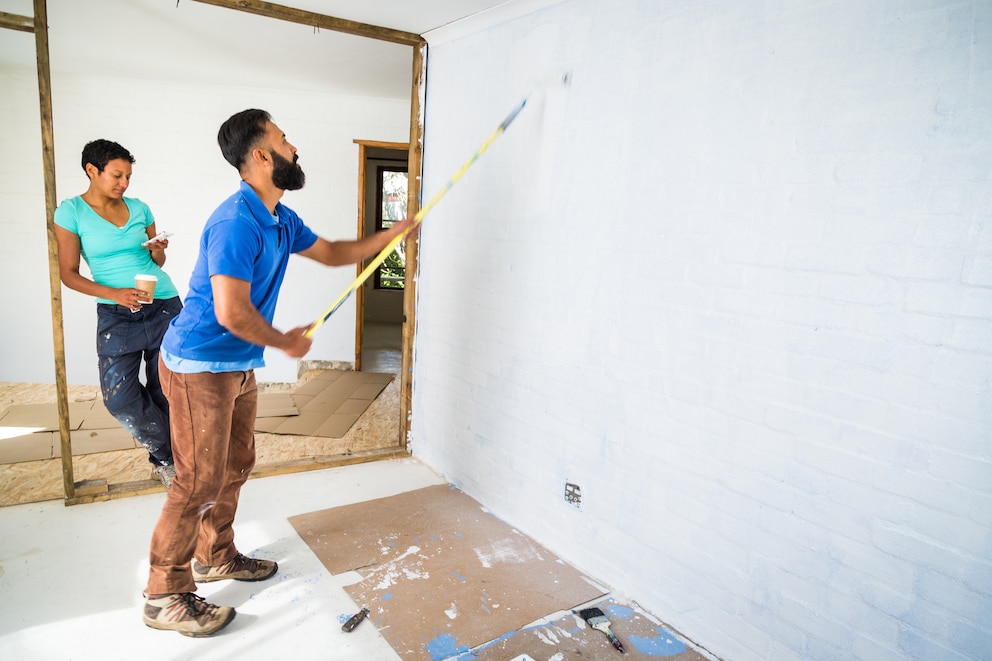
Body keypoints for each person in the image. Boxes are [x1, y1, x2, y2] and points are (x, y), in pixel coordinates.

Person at [142, 109, 415, 637]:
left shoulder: (279, 217)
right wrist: (285, 341)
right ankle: (163, 594)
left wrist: (394, 234)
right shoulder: (236, 221)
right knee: (196, 481)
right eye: (285, 140)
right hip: (199, 363)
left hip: (235, 363)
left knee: (235, 464)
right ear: (263, 156)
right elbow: (230, 311)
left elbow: (336, 253)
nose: (295, 148)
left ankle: (214, 555)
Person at [54, 139, 181, 489]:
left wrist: (157, 251)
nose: (124, 183)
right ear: (91, 171)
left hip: (164, 303)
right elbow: (69, 274)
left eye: (128, 176)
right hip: (117, 313)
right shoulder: (71, 212)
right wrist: (115, 294)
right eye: (117, 175)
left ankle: (169, 463)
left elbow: (158, 262)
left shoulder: (140, 208)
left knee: (166, 389)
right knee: (120, 398)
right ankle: (173, 455)